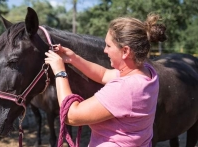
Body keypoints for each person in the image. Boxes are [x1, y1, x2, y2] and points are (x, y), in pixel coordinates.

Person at [44, 13, 167, 147]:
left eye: (108, 46)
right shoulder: (146, 72)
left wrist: (60, 72)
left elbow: (70, 115)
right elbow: (103, 74)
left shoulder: (125, 89)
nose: (104, 50)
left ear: (125, 51)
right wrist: (74, 59)